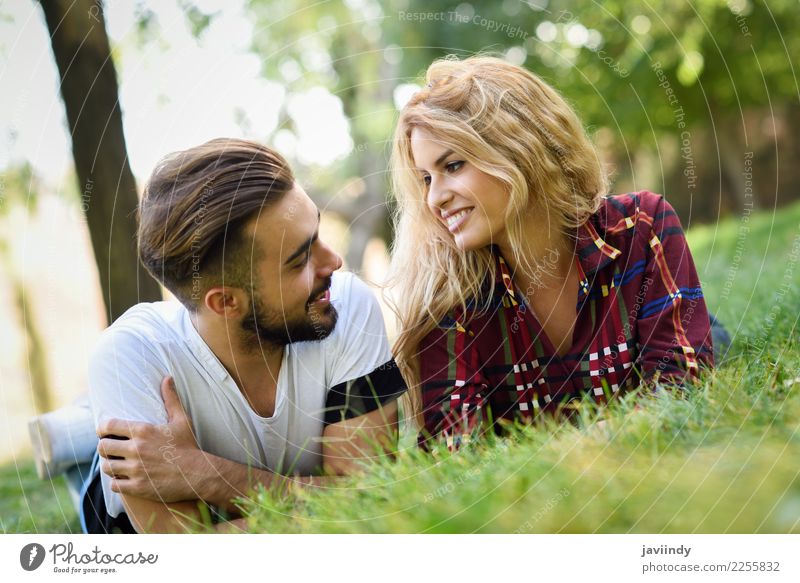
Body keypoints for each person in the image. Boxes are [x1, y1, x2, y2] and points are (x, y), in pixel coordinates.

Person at [387, 56, 714, 451]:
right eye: (425, 179)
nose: (434, 198)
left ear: (519, 149)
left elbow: (681, 386)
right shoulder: (445, 294)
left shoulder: (641, 227)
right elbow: (455, 450)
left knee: (714, 334)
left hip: (672, 319)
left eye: (453, 165)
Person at [82, 138, 406, 533]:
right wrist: (329, 503)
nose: (333, 261)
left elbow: (372, 499)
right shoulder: (127, 356)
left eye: (318, 233)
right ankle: (75, 436)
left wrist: (204, 472)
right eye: (301, 258)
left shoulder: (343, 302)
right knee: (90, 452)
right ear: (225, 303)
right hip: (117, 524)